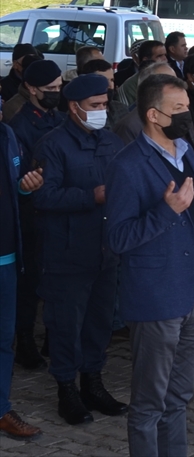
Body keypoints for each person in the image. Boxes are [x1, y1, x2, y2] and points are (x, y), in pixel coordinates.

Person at [106, 73, 194, 457]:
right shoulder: (128, 166)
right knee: (149, 402)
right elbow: (117, 239)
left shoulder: (185, 149)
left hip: (193, 293)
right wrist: (165, 211)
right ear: (153, 115)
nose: (188, 114)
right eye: (177, 109)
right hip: (156, 299)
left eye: (188, 106)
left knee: (179, 396)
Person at [29, 74, 126, 425]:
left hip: (105, 250)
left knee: (99, 323)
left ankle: (93, 383)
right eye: (95, 107)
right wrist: (91, 196)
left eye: (104, 105)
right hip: (67, 253)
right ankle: (66, 389)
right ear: (74, 107)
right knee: (67, 325)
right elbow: (43, 195)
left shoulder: (111, 142)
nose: (102, 111)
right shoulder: (52, 145)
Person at [8, 58, 64, 371]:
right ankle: (25, 340)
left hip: (52, 210)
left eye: (59, 87)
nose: (56, 93)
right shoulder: (20, 124)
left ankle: (48, 337)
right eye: (50, 89)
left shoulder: (52, 114)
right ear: (31, 89)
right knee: (29, 284)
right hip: (31, 212)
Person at [0, 119, 45, 441]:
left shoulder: (7, 134)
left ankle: (0, 408)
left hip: (7, 255)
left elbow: (13, 188)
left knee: (4, 339)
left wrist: (23, 187)